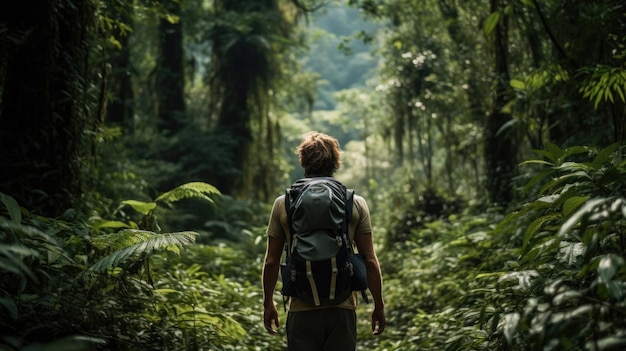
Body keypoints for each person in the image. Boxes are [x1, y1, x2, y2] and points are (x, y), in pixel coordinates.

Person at [262, 131, 386, 350]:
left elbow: (271, 261)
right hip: (343, 305)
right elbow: (369, 259)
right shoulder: (354, 202)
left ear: (303, 161)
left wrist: (268, 303)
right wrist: (379, 305)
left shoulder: (284, 203)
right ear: (335, 161)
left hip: (301, 306)